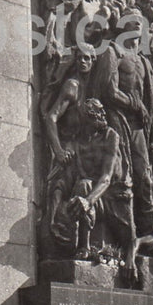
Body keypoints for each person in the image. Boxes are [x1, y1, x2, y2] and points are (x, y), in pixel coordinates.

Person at [91, 5, 153, 238]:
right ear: (122, 25)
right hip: (116, 119)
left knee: (145, 178)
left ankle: (148, 235)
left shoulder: (145, 63)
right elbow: (108, 90)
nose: (137, 22)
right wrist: (133, 104)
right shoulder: (112, 51)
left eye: (140, 19)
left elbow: (149, 103)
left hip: (138, 127)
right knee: (122, 177)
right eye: (131, 18)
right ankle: (121, 237)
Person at [66, 98, 137, 280]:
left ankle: (130, 259)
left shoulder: (111, 136)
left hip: (116, 195)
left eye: (102, 111)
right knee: (83, 185)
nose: (104, 115)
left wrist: (87, 201)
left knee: (129, 237)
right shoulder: (77, 143)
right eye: (98, 113)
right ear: (86, 119)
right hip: (93, 195)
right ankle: (83, 247)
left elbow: (106, 177)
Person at [42, 44, 96, 244]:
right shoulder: (72, 86)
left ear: (93, 61)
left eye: (87, 59)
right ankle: (56, 234)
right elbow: (51, 117)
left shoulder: (93, 88)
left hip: (85, 152)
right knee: (59, 190)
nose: (83, 62)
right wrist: (58, 150)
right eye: (80, 58)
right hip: (68, 149)